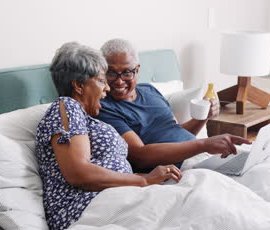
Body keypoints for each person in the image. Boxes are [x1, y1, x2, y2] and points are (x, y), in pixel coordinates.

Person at [35, 42, 182, 230]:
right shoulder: (66, 107)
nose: (107, 88)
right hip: (81, 208)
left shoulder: (83, 117)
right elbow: (78, 173)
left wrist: (151, 178)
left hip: (112, 199)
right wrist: (144, 181)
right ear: (79, 86)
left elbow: (103, 169)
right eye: (101, 81)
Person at [96, 39, 251, 172]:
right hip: (177, 169)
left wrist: (204, 117)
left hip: (201, 158)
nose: (119, 81)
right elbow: (140, 156)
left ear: (137, 70)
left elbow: (176, 132)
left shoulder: (150, 90)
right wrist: (203, 144)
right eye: (111, 73)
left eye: (126, 72)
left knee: (260, 168)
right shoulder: (104, 108)